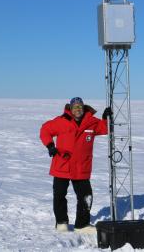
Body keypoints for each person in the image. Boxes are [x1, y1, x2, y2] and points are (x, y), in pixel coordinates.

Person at [40, 97, 112, 233]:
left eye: (80, 107)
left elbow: (105, 129)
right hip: (62, 164)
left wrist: (106, 118)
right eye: (75, 107)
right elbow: (45, 130)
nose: (78, 110)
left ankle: (82, 225)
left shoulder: (91, 122)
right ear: (71, 109)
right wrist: (50, 145)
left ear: (83, 108)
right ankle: (61, 223)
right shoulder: (61, 121)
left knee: (86, 196)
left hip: (81, 166)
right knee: (60, 195)